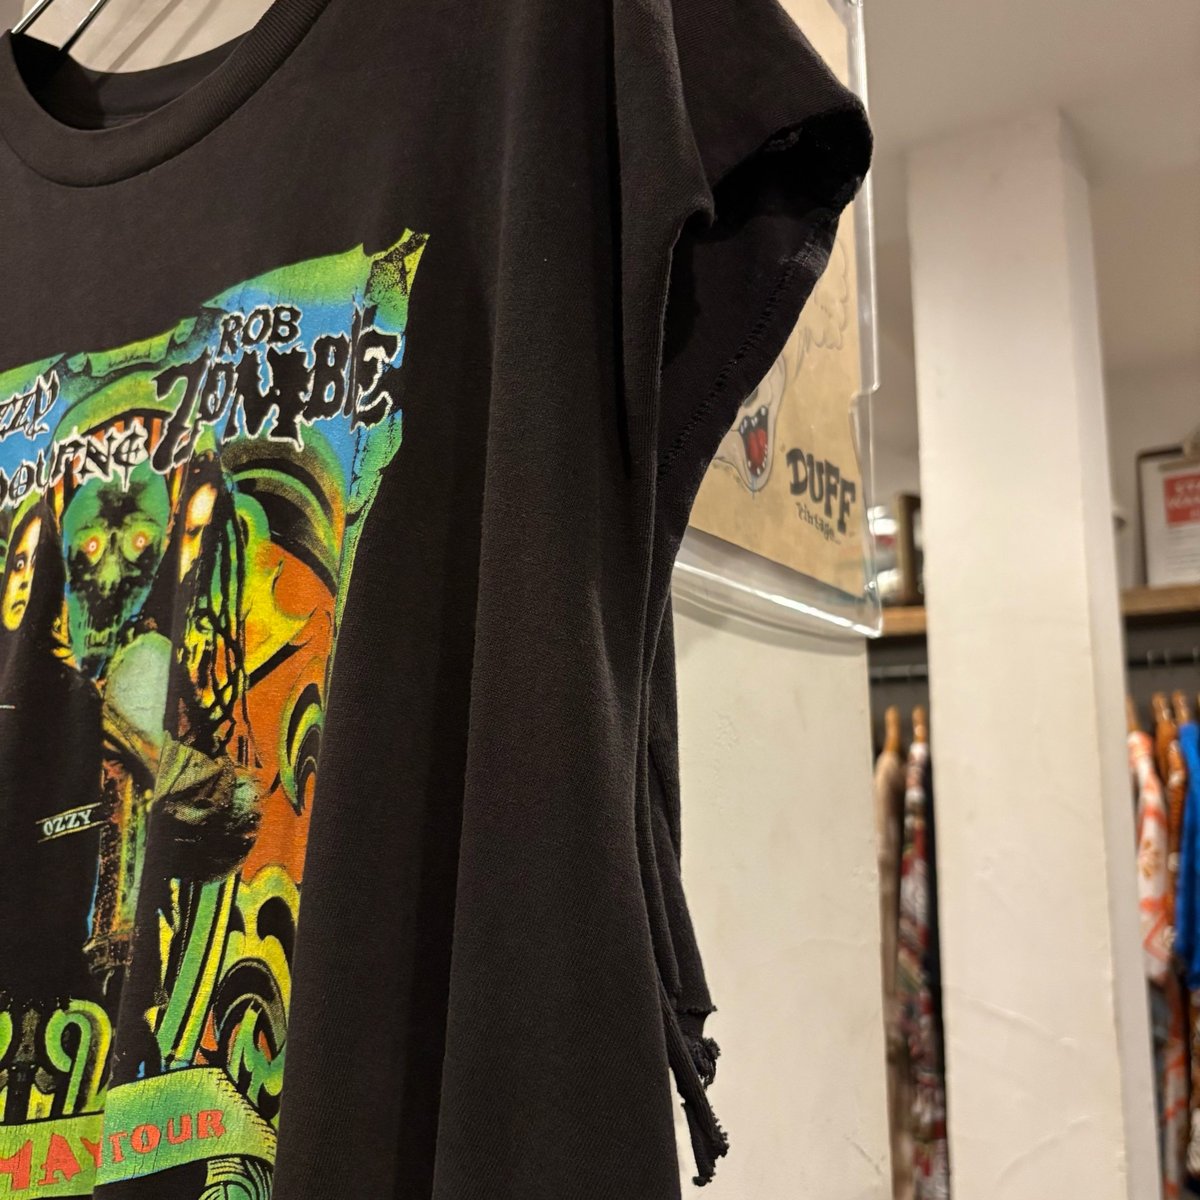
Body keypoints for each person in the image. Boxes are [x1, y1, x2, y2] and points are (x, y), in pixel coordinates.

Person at [0, 501, 105, 1119]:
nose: (24, 580)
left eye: (39, 566)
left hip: (34, 982)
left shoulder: (72, 698)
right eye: (17, 563)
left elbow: (71, 864)